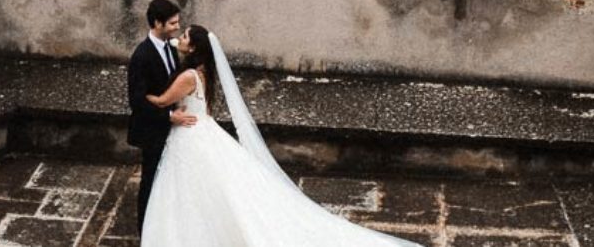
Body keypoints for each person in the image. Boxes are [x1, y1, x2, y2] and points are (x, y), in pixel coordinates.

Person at [138, 25, 412, 247]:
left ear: (194, 47)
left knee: (188, 189)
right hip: (204, 129)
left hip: (191, 135)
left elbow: (162, 101)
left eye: (184, 36)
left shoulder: (188, 76)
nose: (180, 37)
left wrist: (141, 97)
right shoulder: (204, 72)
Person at [126, 0, 196, 234]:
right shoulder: (141, 56)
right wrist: (168, 115)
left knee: (168, 180)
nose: (177, 27)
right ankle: (145, 230)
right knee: (150, 181)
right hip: (152, 130)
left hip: (171, 127)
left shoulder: (169, 47)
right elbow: (136, 101)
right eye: (173, 23)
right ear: (157, 23)